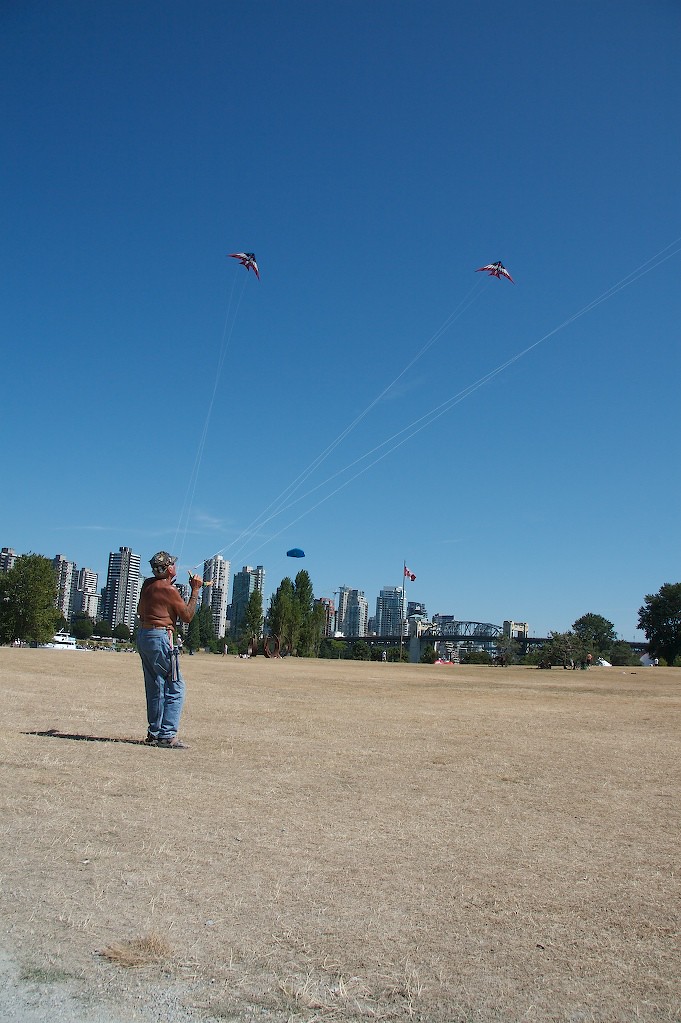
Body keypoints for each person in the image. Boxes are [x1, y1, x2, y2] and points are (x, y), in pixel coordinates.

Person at [137, 551, 202, 749]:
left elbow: (141, 610)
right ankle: (167, 735)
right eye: (173, 564)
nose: (176, 567)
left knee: (155, 686)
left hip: (143, 636)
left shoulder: (147, 585)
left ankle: (154, 732)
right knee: (175, 686)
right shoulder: (168, 590)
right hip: (160, 637)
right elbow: (187, 616)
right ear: (169, 568)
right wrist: (195, 590)